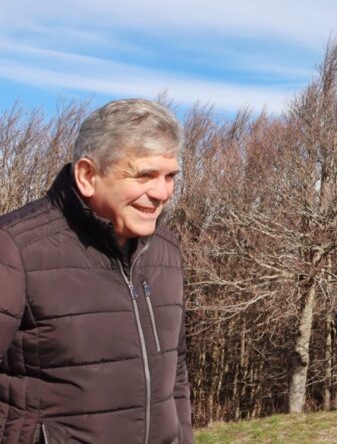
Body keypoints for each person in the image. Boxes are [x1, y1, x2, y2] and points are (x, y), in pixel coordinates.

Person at [0, 99, 193, 443]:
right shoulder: (16, 248)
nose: (162, 192)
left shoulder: (166, 251)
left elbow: (175, 373)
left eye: (169, 176)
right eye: (145, 175)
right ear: (88, 175)